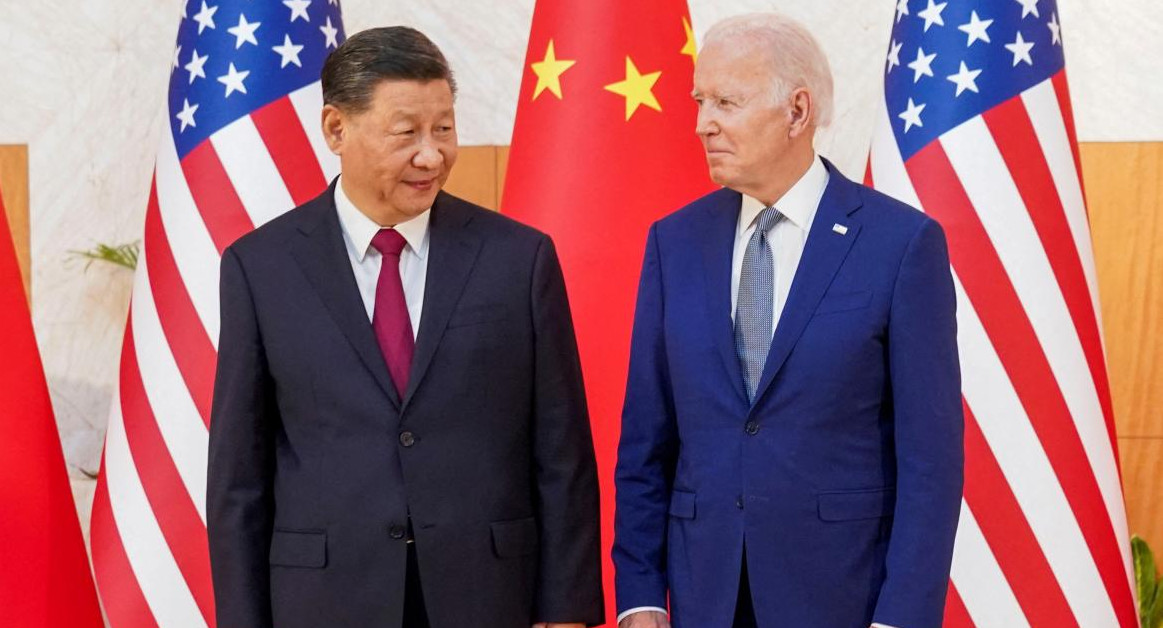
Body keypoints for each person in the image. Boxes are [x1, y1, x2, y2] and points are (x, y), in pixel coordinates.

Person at [208, 26, 603, 628]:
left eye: (443, 128)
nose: (431, 154)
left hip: (487, 594)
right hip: (325, 600)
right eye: (406, 133)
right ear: (337, 129)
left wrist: (568, 607)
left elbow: (561, 451)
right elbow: (240, 474)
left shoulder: (518, 259)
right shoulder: (260, 267)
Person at [612, 13, 963, 628]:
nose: (702, 123)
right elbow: (648, 438)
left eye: (726, 101)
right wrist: (640, 595)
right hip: (705, 597)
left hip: (843, 598)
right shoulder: (675, 242)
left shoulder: (900, 245)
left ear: (797, 112)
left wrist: (902, 617)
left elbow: (930, 461)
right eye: (700, 100)